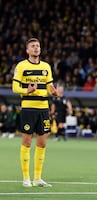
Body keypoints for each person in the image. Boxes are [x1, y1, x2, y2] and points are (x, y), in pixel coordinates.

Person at [12, 38, 59, 187]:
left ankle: (37, 178)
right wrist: (27, 90)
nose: (36, 48)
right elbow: (14, 87)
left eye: (38, 46)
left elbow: (49, 87)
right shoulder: (21, 66)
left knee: (42, 143)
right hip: (28, 108)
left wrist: (54, 92)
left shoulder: (46, 66)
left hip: (43, 108)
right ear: (27, 50)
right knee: (26, 142)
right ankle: (26, 178)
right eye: (32, 46)